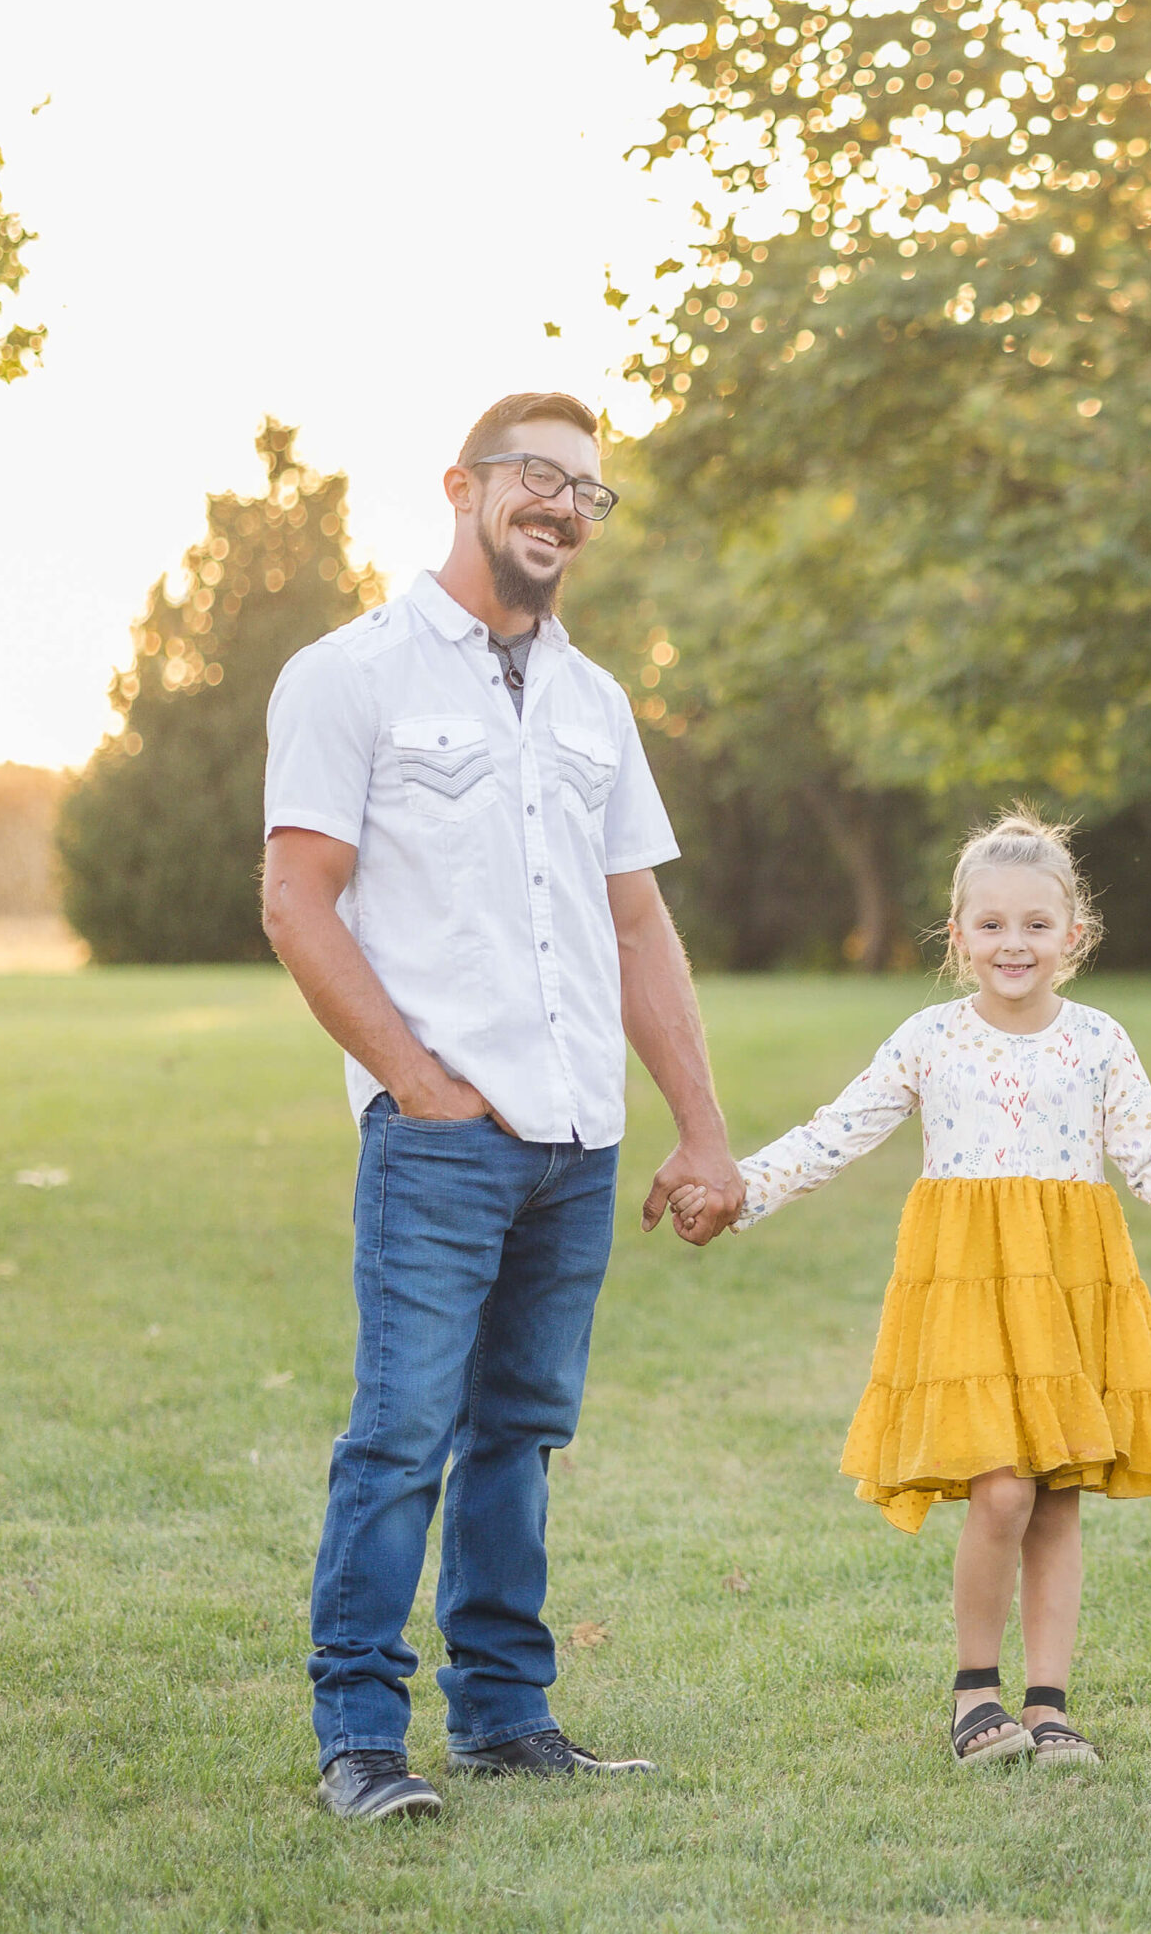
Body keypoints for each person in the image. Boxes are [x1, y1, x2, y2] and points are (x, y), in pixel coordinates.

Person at [260, 391, 747, 1821]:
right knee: (402, 1430)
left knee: (521, 1433)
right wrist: (414, 1084)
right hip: (443, 1138)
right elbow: (297, 897)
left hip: (575, 1140)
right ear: (465, 485)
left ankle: (503, 1715)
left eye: (588, 492)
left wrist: (699, 1125)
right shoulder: (352, 674)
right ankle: (361, 1734)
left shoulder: (596, 702)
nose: (563, 506)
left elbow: (640, 927)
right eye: (540, 477)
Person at [673, 812, 1151, 1767]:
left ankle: (1049, 1706)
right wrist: (738, 1191)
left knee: (1054, 1492)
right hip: (966, 1285)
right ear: (957, 936)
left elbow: (1146, 1152)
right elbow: (835, 1132)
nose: (1016, 943)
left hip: (1067, 1283)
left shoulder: (1098, 1042)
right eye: (994, 925)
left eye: (1038, 925)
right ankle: (976, 1695)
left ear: (1073, 935)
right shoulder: (931, 1038)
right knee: (999, 1490)